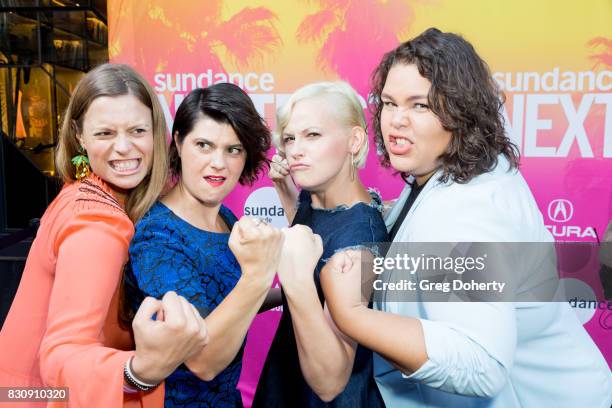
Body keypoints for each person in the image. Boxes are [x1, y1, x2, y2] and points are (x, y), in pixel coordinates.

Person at [320, 28, 612, 408]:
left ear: (459, 111)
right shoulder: (449, 169)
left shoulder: (468, 210)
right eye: (389, 103)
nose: (396, 121)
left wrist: (351, 314)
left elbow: (481, 364)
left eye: (420, 105)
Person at [0, 63, 209, 407]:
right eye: (105, 134)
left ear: (155, 132)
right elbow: (62, 356)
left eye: (137, 131)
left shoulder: (85, 191)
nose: (124, 147)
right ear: (80, 136)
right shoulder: (98, 226)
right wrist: (140, 371)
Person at [121, 84, 286, 407]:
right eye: (204, 145)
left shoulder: (223, 215)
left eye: (233, 150)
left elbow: (222, 301)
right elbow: (203, 361)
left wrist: (297, 290)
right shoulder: (158, 238)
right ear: (179, 142)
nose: (218, 164)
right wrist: (259, 273)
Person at [253, 81, 388, 407]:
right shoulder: (319, 202)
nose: (295, 149)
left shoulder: (360, 241)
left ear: (354, 141)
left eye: (312, 135)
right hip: (285, 388)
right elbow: (314, 265)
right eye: (289, 138)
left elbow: (330, 382)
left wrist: (294, 279)